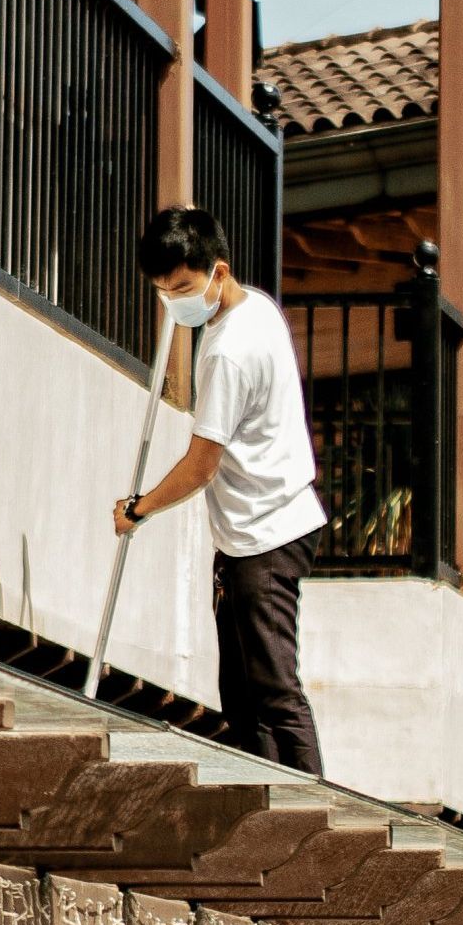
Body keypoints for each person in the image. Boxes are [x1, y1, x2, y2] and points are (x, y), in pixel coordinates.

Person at [111, 206, 327, 774]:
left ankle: (316, 814)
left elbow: (202, 464)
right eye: (162, 291)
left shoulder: (231, 351)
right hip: (250, 534)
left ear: (218, 272)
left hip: (267, 533)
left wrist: (139, 508)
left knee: (273, 690)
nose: (173, 302)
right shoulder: (255, 307)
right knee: (241, 694)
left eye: (182, 287)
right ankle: (267, 803)